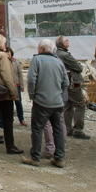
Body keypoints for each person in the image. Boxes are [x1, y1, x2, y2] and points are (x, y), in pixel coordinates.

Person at [23, 39, 69, 168]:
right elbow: (66, 83)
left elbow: (31, 80)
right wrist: (60, 95)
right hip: (57, 102)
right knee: (58, 130)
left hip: (41, 102)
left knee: (37, 129)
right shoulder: (59, 62)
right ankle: (59, 158)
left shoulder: (37, 60)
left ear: (42, 49)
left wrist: (32, 95)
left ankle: (35, 158)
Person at [55, 36, 90, 139]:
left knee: (68, 106)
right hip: (73, 83)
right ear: (61, 44)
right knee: (80, 105)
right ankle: (78, 130)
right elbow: (78, 67)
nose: (68, 41)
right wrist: (78, 65)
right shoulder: (65, 55)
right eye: (66, 40)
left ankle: (68, 129)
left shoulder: (57, 54)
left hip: (65, 83)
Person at [9, 48, 25, 126]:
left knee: (18, 103)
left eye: (9, 53)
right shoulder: (4, 62)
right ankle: (9, 120)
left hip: (16, 86)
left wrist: (22, 86)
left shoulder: (16, 62)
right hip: (8, 86)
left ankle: (21, 119)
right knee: (9, 104)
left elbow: (20, 75)